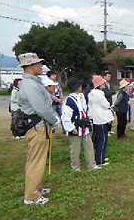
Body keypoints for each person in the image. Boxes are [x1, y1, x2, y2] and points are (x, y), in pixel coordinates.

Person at [18, 52, 59, 205]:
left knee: (36, 160)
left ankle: (36, 188)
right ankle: (31, 196)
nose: (41, 66)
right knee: (36, 161)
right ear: (30, 66)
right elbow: (41, 108)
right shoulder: (30, 85)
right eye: (38, 64)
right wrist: (54, 120)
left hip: (38, 126)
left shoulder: (32, 82)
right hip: (38, 127)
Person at [61, 78, 101, 172]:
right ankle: (75, 167)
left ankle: (91, 164)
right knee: (75, 149)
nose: (81, 87)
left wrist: (89, 121)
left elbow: (85, 110)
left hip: (85, 126)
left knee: (89, 146)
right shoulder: (69, 100)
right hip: (76, 127)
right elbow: (66, 116)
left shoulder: (81, 97)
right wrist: (71, 128)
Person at [88, 76, 114, 166]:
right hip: (101, 119)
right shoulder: (99, 93)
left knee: (99, 139)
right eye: (102, 83)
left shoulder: (91, 93)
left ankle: (100, 157)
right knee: (102, 139)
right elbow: (106, 104)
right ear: (99, 84)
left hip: (96, 118)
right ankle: (100, 160)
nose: (104, 84)